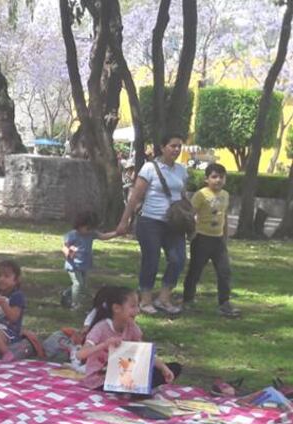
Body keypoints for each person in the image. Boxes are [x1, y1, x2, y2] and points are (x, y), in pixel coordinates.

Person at [116, 133, 190, 315]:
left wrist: (188, 215)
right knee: (151, 259)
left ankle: (164, 298)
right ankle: (145, 299)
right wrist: (124, 221)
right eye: (173, 145)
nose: (176, 149)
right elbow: (135, 197)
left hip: (174, 223)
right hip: (150, 221)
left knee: (178, 259)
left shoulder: (182, 170)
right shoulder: (149, 168)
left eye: (179, 146)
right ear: (163, 147)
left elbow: (183, 195)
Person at [77, 286, 180, 392]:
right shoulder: (101, 328)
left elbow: (144, 352)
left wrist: (163, 368)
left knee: (174, 368)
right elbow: (80, 354)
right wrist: (104, 345)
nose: (138, 311)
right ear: (117, 308)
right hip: (100, 381)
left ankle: (138, 388)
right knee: (135, 382)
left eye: (138, 306)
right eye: (133, 306)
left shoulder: (132, 328)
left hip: (124, 375)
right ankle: (136, 389)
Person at [184, 163, 240, 318]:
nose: (218, 180)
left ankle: (224, 303)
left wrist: (225, 236)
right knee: (195, 271)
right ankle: (188, 300)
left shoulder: (225, 195)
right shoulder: (201, 195)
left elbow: (225, 217)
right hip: (201, 238)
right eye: (214, 177)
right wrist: (192, 233)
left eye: (221, 177)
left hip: (218, 240)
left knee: (225, 272)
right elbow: (190, 215)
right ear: (206, 179)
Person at [61, 212, 121, 309]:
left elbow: (103, 236)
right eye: (87, 228)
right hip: (73, 265)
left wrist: (117, 233)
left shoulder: (92, 234)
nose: (89, 231)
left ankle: (67, 293)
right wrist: (68, 253)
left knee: (82, 285)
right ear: (79, 226)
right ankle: (75, 304)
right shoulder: (72, 235)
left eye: (91, 228)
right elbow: (64, 247)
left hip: (84, 264)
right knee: (78, 284)